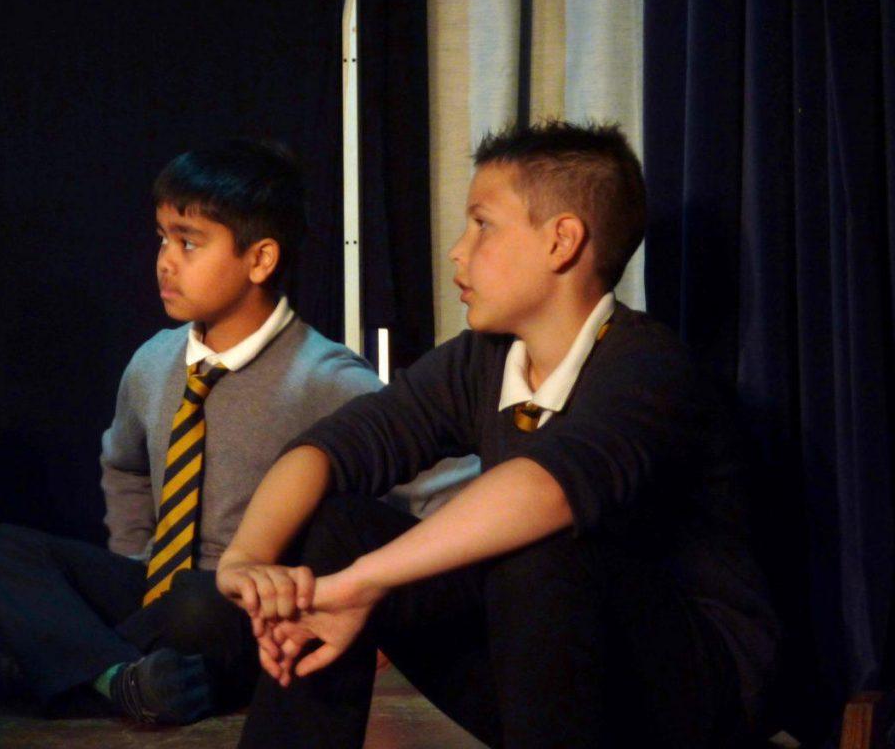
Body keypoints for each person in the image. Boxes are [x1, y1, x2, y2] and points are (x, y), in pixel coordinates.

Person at [216, 120, 779, 748]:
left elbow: (545, 490)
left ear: (562, 241)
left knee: (536, 551)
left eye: (482, 225)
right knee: (335, 528)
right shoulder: (483, 359)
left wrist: (362, 583)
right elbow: (333, 447)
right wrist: (246, 559)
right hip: (546, 667)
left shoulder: (648, 364)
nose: (458, 251)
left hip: (691, 697)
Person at [0, 139, 471, 725]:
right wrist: (134, 554)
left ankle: (38, 667)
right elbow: (125, 465)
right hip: (158, 587)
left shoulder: (326, 378)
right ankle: (121, 681)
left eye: (188, 242)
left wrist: (384, 612)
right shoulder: (153, 362)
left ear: (259, 260)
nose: (165, 261)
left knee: (197, 602)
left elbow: (446, 491)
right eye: (162, 238)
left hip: (240, 608)